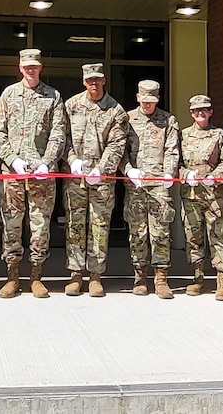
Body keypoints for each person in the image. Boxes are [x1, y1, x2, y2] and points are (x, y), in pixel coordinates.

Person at [0, 48, 67, 298]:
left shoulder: (53, 96)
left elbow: (58, 133)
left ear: (40, 67)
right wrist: (12, 160)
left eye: (34, 66)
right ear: (20, 67)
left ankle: (36, 276)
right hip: (14, 173)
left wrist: (47, 162)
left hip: (42, 173)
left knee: (40, 225)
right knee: (12, 224)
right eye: (26, 66)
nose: (30, 70)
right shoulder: (8, 94)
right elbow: (0, 132)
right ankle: (12, 276)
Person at [63, 63, 129, 297]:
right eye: (90, 79)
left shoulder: (115, 110)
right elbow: (63, 138)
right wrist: (72, 160)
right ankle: (75, 275)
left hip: (102, 181)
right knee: (75, 225)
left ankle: (95, 276)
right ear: (84, 81)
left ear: (104, 81)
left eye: (98, 79)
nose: (94, 83)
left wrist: (102, 169)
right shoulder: (71, 106)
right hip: (75, 179)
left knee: (99, 227)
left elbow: (117, 144)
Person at [121, 80, 180, 299]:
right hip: (135, 185)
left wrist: (169, 173)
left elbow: (172, 150)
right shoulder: (127, 119)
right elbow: (120, 149)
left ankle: (161, 278)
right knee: (137, 232)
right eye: (144, 101)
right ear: (137, 97)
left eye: (152, 101)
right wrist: (128, 169)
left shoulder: (168, 120)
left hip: (158, 186)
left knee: (161, 232)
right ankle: (140, 276)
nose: (147, 105)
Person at [179, 95, 223, 301]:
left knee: (218, 236)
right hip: (191, 195)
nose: (200, 114)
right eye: (196, 111)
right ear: (191, 113)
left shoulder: (219, 135)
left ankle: (222, 281)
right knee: (193, 236)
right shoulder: (183, 135)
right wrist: (186, 175)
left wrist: (215, 177)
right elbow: (175, 163)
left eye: (204, 110)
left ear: (211, 112)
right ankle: (198, 277)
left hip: (215, 196)